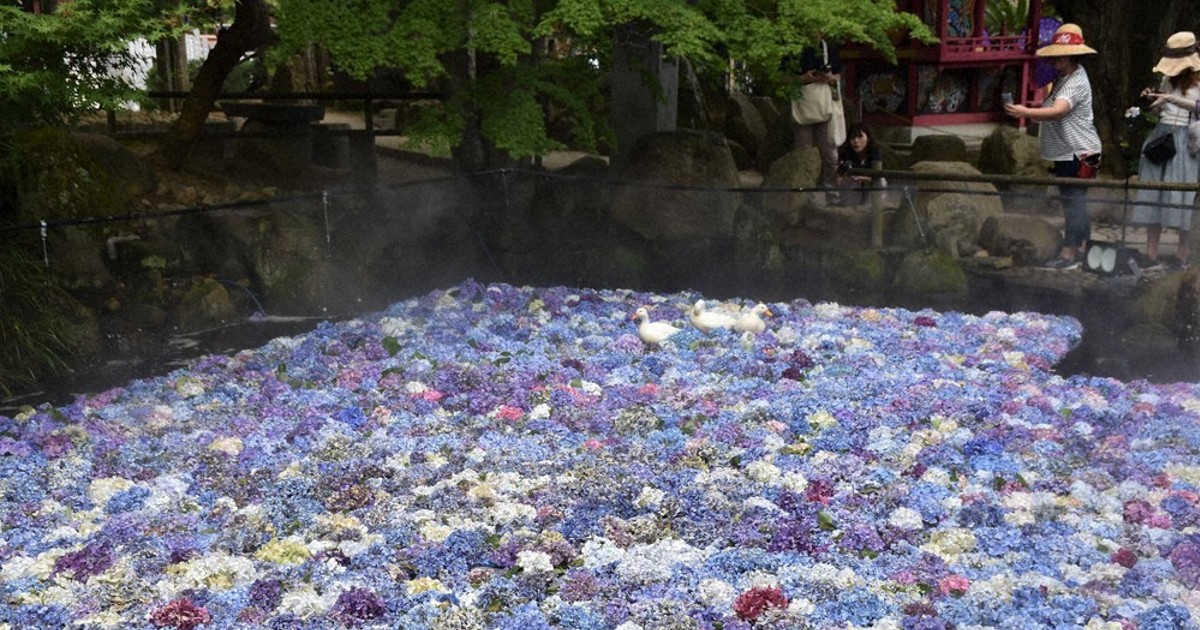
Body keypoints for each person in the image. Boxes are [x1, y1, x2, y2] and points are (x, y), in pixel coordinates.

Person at [1004, 23, 1102, 270]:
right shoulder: (1062, 78)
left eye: (1060, 53)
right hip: (1067, 149)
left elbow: (1058, 111)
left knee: (1073, 200)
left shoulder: (1077, 80)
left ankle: (1071, 252)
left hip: (1079, 150)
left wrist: (1025, 111)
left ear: (1072, 55)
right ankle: (1082, 248)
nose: (1056, 58)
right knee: (1072, 199)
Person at [1130, 31, 1200, 270]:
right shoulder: (1167, 80)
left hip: (1185, 140)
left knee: (1183, 195)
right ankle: (1151, 252)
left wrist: (1171, 98)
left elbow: (1196, 108)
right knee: (1153, 191)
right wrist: (1152, 102)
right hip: (1162, 136)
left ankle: (1182, 252)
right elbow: (1158, 112)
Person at [786, 38, 846, 204]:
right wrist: (804, 78)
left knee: (830, 153)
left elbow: (838, 74)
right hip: (804, 107)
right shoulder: (793, 46)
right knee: (803, 153)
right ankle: (803, 195)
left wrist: (829, 77)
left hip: (825, 107)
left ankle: (832, 193)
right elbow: (783, 77)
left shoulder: (829, 47)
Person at [835, 123, 883, 206]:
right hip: (852, 185)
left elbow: (878, 176)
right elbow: (839, 176)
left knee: (881, 182)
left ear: (868, 138)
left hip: (871, 183)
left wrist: (863, 178)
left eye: (860, 137)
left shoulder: (875, 151)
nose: (856, 141)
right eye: (852, 138)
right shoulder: (845, 152)